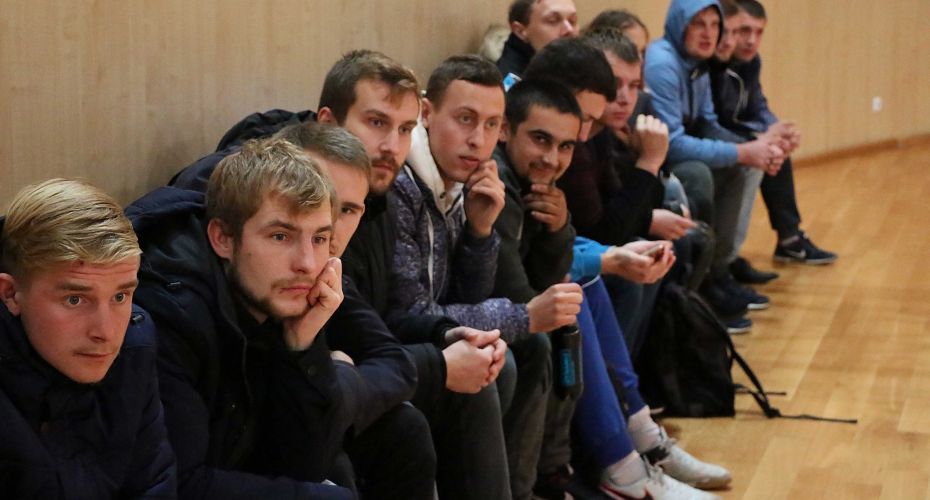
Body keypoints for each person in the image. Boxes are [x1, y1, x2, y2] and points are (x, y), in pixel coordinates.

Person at [130, 138, 434, 498]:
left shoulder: (283, 293)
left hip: (234, 463)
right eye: (280, 236)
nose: (306, 263)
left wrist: (302, 345)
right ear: (223, 238)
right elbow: (181, 484)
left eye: (319, 239)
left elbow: (307, 463)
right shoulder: (174, 311)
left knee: (397, 432)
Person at [275, 120, 512, 500]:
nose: (329, 224)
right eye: (377, 121)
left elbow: (384, 342)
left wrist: (442, 332)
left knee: (410, 423)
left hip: (329, 406)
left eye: (347, 209)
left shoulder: (341, 254)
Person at [388, 54, 564, 500]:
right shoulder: (401, 186)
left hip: (422, 336)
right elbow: (412, 313)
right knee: (487, 365)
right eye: (465, 119)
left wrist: (480, 231)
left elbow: (464, 296)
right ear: (426, 113)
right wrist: (523, 316)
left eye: (491, 125)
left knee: (519, 351)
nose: (477, 140)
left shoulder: (459, 180)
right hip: (390, 348)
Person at [0, 179, 177, 498]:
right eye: (75, 300)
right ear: (10, 293)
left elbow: (154, 483)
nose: (106, 332)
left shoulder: (135, 342)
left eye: (120, 296)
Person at [644, 0, 781, 331]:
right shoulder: (663, 63)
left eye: (714, 25)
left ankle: (720, 270)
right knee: (700, 174)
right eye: (698, 24)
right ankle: (701, 283)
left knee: (745, 164)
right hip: (652, 162)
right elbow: (672, 143)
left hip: (676, 154)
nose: (709, 34)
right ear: (679, 24)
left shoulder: (697, 63)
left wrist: (756, 147)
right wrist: (742, 150)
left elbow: (707, 123)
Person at [710, 0, 836, 281]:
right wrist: (760, 140)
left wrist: (778, 130)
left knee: (775, 148)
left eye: (759, 32)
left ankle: (789, 239)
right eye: (743, 30)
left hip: (735, 133)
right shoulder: (712, 65)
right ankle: (725, 261)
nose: (751, 40)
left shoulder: (751, 62)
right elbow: (711, 122)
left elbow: (758, 106)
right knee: (761, 152)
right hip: (717, 137)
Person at [497, 0, 578, 80]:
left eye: (572, 21)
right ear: (520, 31)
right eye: (553, 20)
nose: (569, 29)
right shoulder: (508, 83)